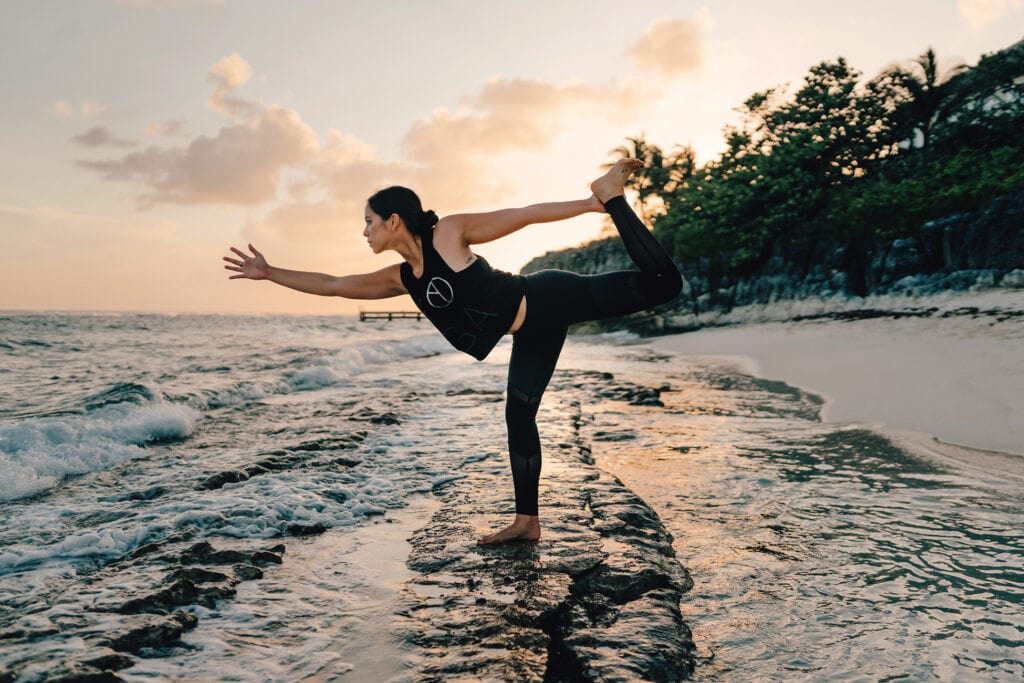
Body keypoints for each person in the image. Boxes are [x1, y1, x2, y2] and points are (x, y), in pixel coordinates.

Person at [223, 158, 682, 545]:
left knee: (666, 284)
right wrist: (270, 273)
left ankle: (613, 199)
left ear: (393, 220)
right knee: (518, 416)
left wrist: (590, 204)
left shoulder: (449, 233)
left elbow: (524, 214)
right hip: (534, 330)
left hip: (548, 298)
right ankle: (527, 523)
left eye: (368, 221)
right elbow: (333, 285)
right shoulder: (400, 278)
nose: (364, 232)